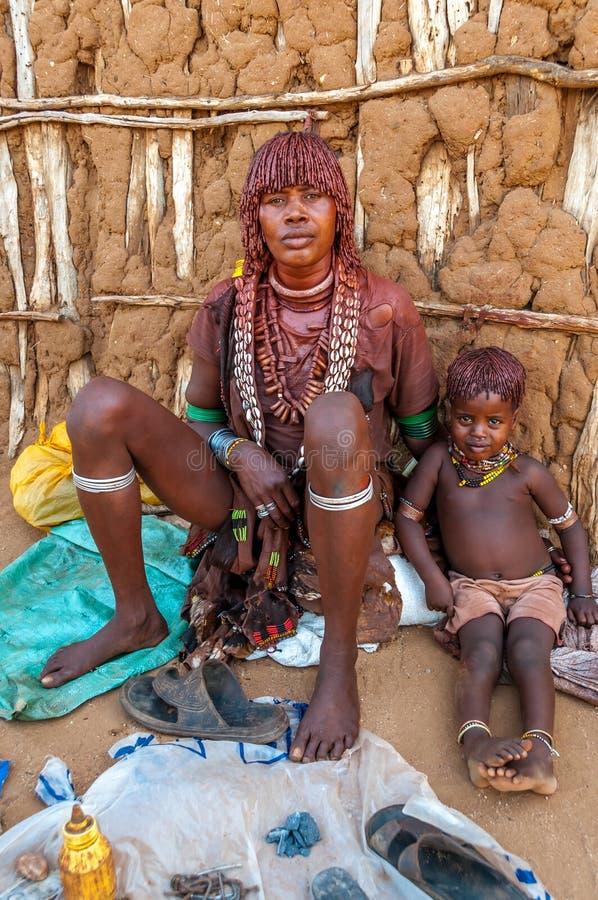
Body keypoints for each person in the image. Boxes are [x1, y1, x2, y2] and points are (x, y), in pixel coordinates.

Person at [39, 129, 440, 763]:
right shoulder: (227, 307)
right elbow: (199, 420)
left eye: (314, 196)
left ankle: (337, 665)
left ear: (340, 208)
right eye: (277, 199)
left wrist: (446, 513)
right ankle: (134, 615)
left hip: (344, 492)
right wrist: (237, 453)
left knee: (336, 418)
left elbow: (422, 434)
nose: (298, 213)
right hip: (239, 498)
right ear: (255, 217)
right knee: (97, 407)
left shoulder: (385, 309)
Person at [395, 346, 597, 794]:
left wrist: (581, 591)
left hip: (536, 584)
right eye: (466, 419)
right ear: (450, 413)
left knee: (528, 652)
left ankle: (541, 754)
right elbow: (407, 519)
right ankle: (475, 742)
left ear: (514, 418)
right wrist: (432, 577)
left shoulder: (526, 472)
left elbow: (572, 528)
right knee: (481, 652)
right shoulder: (438, 464)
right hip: (472, 586)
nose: (478, 432)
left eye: (494, 421)